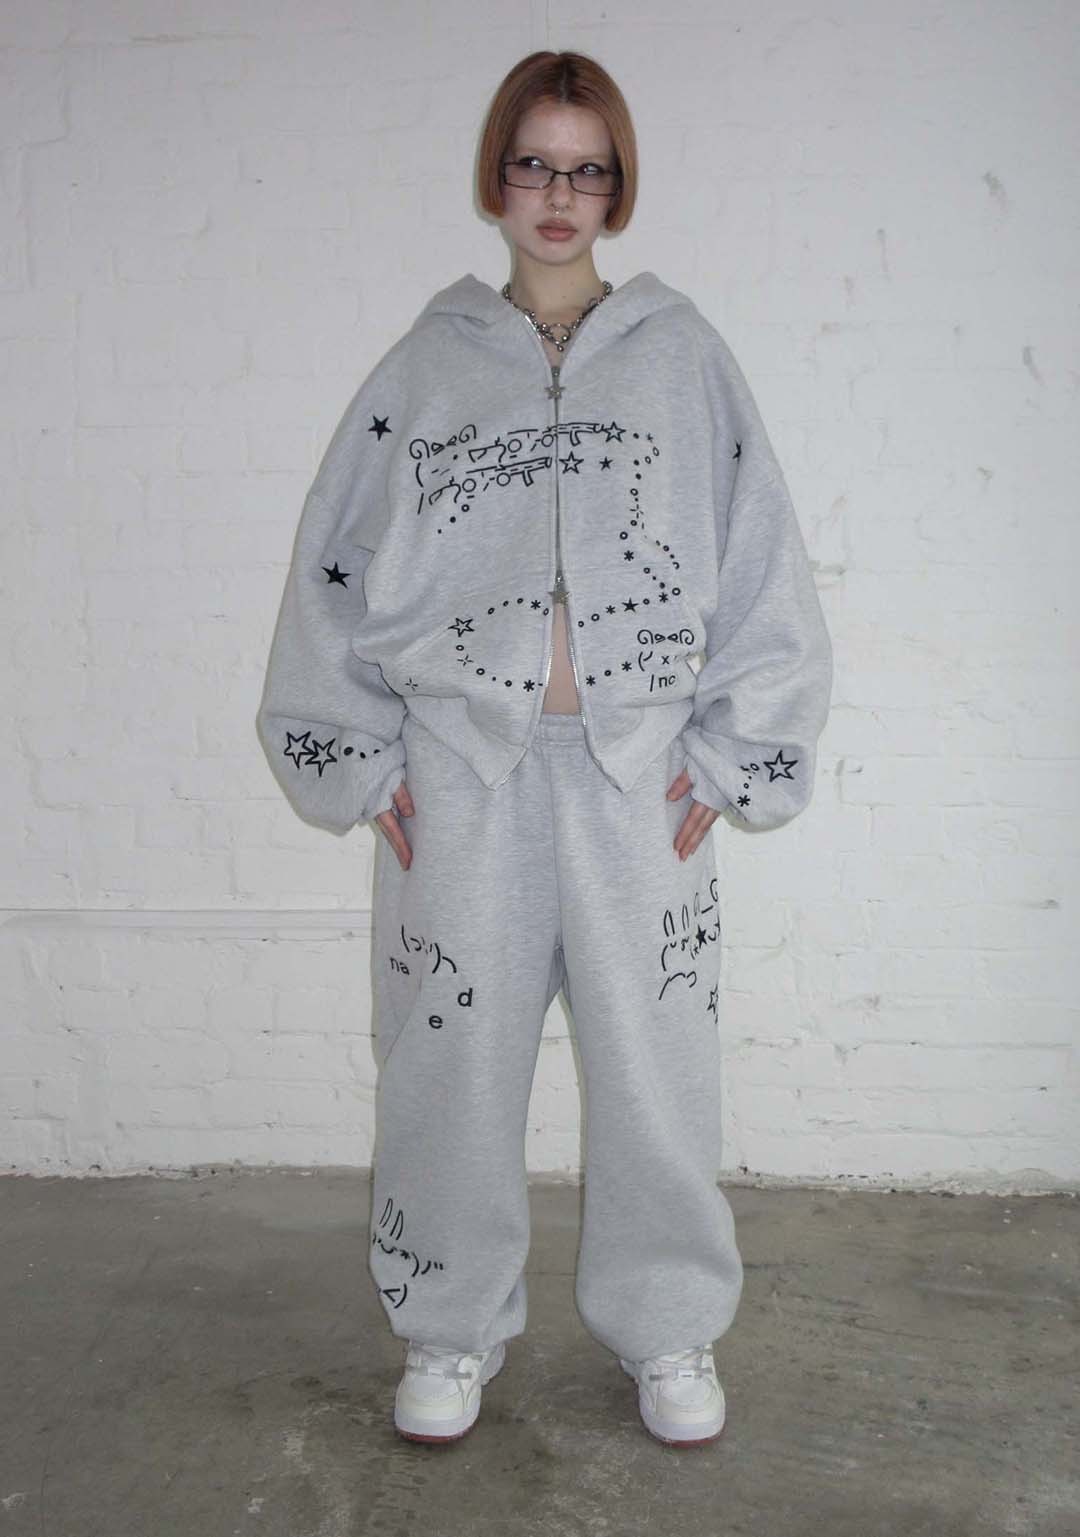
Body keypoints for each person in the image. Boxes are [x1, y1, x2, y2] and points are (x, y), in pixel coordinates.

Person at [255, 49, 833, 1449]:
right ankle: (447, 1330)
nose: (558, 195)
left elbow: (762, 558)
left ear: (618, 186)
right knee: (447, 1069)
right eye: (534, 164)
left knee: (656, 1070)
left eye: (586, 168)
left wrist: (735, 756)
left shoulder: (685, 358)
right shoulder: (429, 365)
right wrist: (359, 760)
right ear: (495, 178)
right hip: (462, 777)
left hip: (640, 780)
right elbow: (334, 562)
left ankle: (671, 1327)